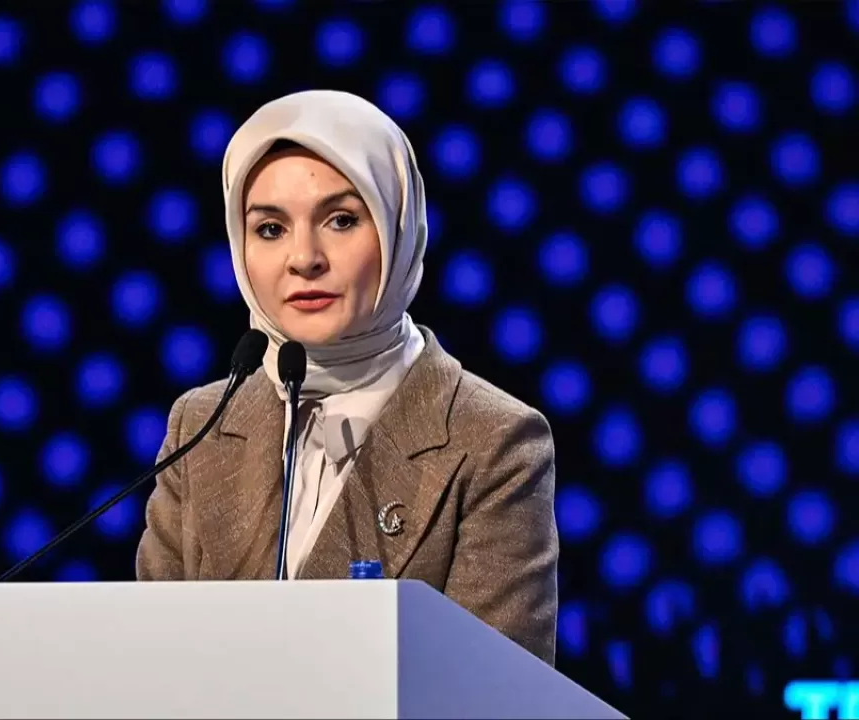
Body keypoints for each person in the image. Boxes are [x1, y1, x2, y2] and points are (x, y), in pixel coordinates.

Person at [135, 89, 559, 665]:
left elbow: (496, 691)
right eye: (270, 229)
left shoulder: (493, 440)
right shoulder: (201, 424)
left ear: (396, 226)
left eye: (341, 220)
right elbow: (151, 666)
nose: (304, 258)